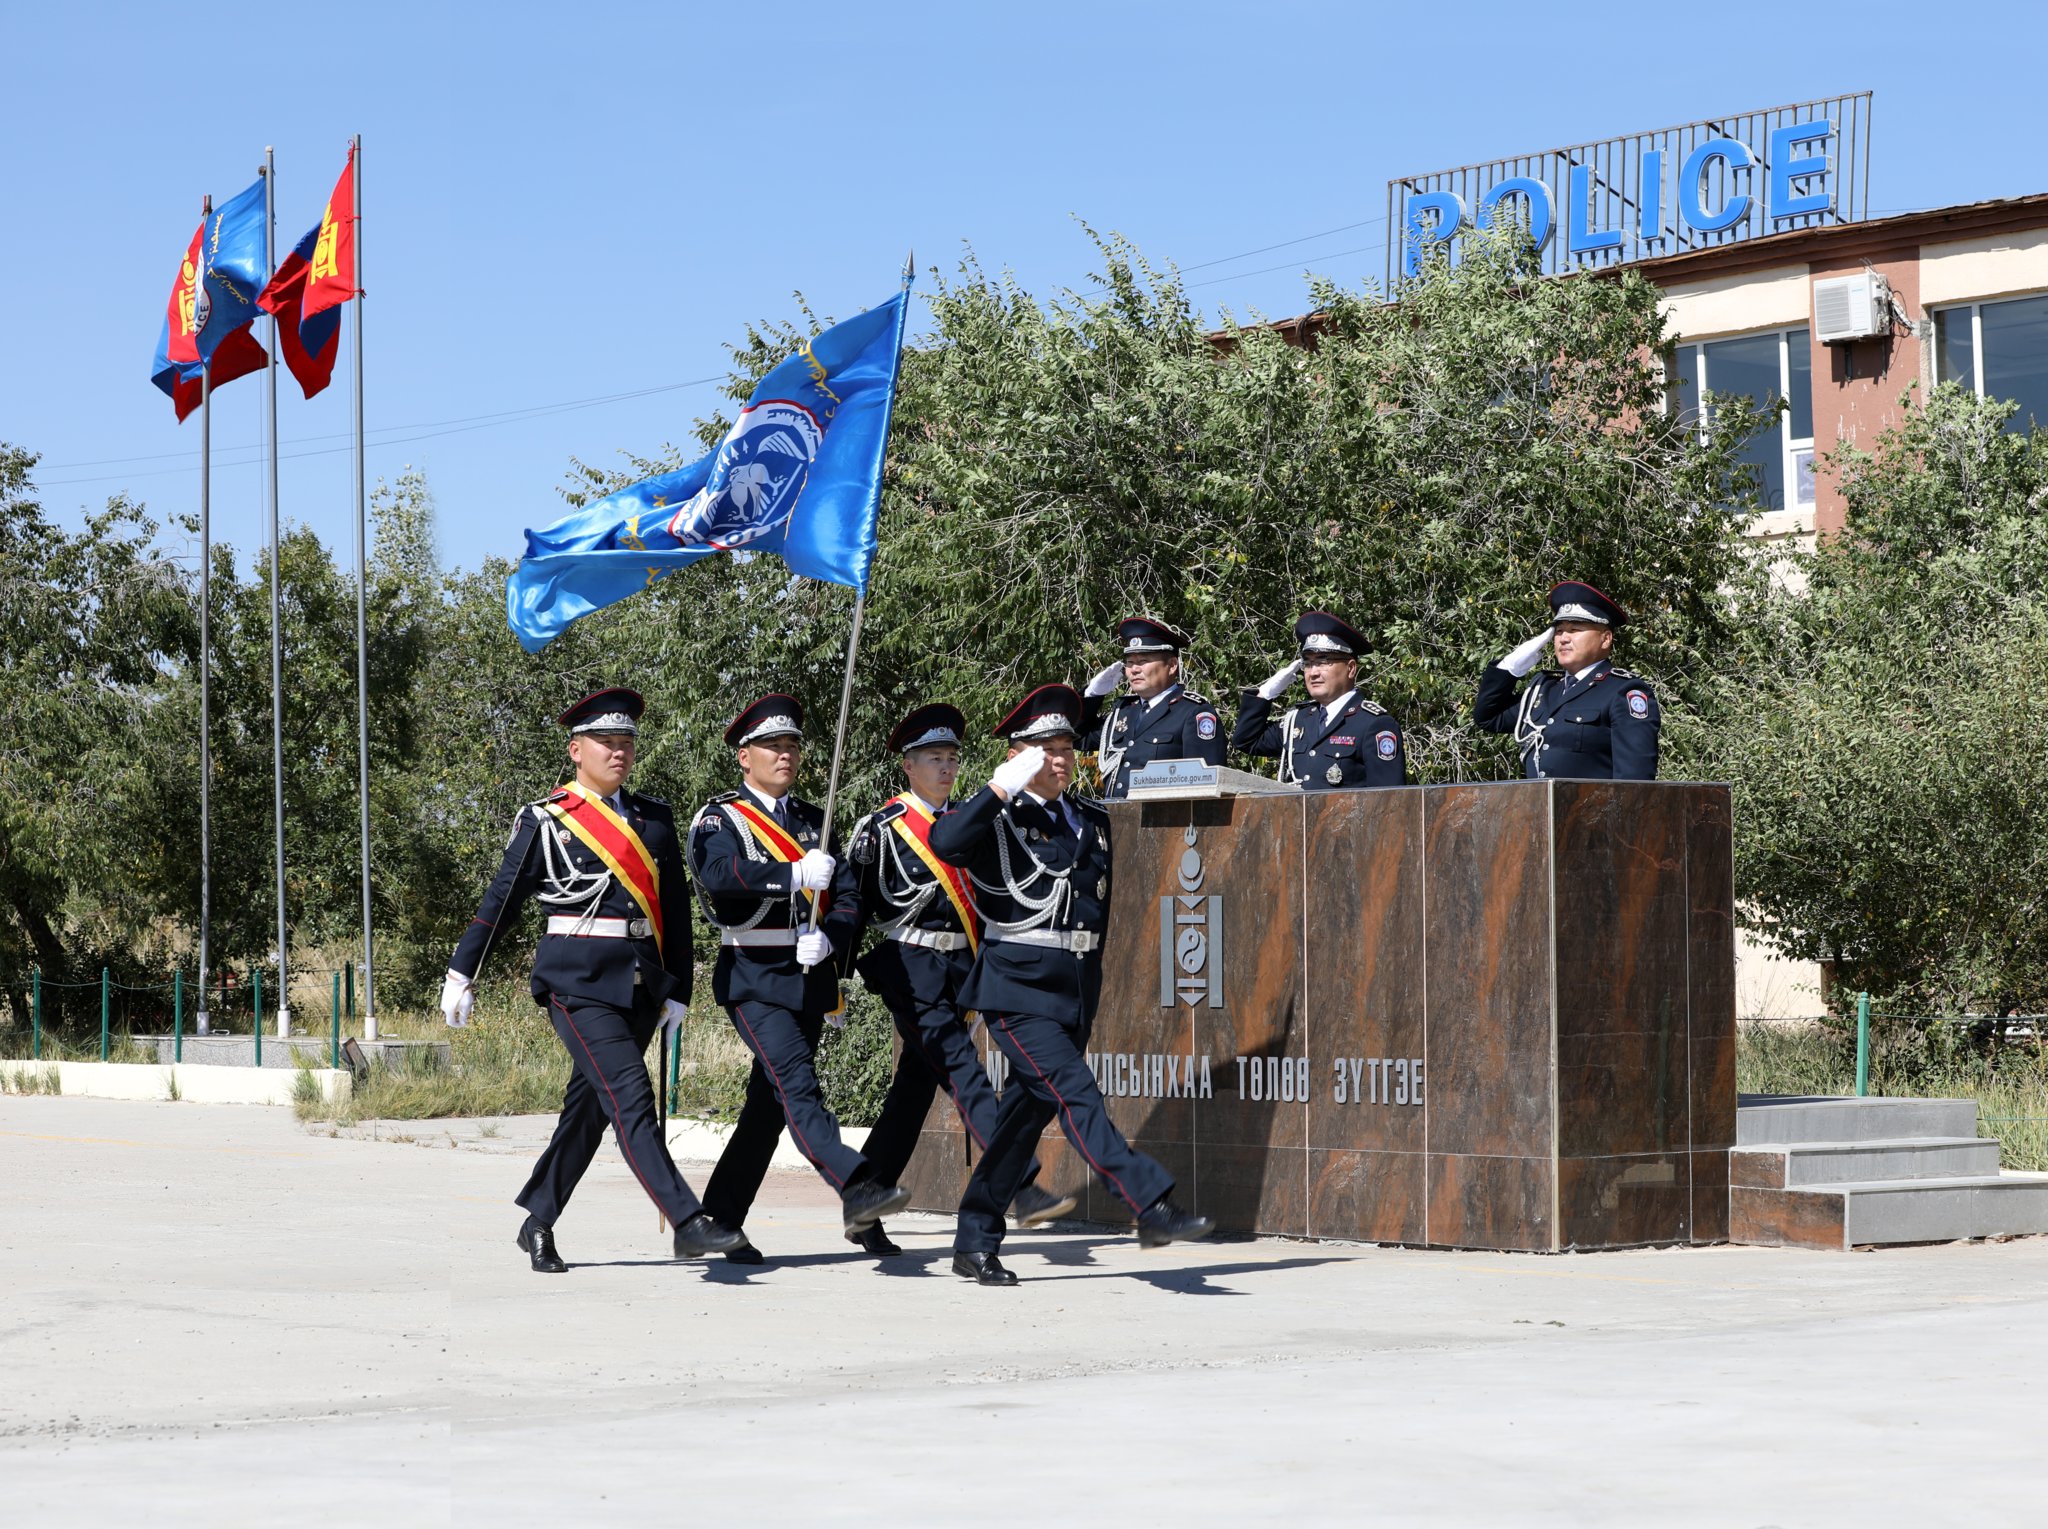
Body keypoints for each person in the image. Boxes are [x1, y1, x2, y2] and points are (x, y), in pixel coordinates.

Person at [442, 687, 743, 1273]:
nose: (620, 751)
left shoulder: (654, 818)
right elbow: (501, 900)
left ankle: (538, 1220)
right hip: (575, 981)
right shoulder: (548, 819)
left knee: (589, 1109)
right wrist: (462, 970)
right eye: (607, 741)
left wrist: (678, 986)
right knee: (631, 1093)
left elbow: (675, 909)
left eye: (627, 741)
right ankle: (689, 1220)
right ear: (577, 750)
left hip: (638, 983)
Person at [931, 683, 1213, 1286]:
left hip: (1074, 987)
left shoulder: (1088, 818)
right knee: (1078, 1094)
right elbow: (945, 843)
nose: (1059, 759)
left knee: (1019, 1124)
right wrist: (1001, 785)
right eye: (1045, 748)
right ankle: (1148, 1202)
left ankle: (973, 1239)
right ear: (1018, 754)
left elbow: (1098, 912)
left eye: (1065, 747)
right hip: (1015, 989)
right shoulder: (994, 817)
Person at [843, 703, 1077, 1257]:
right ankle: (1019, 1182)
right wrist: (831, 979)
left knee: (912, 1091)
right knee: (963, 1071)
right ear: (908, 766)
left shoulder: (971, 824)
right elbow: (852, 906)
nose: (946, 768)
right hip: (910, 963)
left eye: (952, 758)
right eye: (933, 759)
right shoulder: (884, 828)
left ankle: (863, 1196)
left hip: (962, 966)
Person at [688, 693, 911, 1263]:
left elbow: (848, 896)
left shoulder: (819, 818)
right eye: (771, 746)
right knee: (798, 1085)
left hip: (808, 975)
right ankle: (858, 1187)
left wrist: (833, 937)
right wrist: (790, 874)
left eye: (791, 746)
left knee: (768, 1107)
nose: (784, 756)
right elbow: (718, 873)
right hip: (754, 975)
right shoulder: (722, 817)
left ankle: (721, 1218)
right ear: (745, 757)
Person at [1473, 581, 1661, 780]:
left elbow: (1634, 781)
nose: (1563, 638)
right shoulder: (1544, 689)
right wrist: (1511, 666)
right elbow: (1488, 716)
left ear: (1605, 639)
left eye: (1575, 630)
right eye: (1559, 630)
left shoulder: (1623, 692)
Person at [1231, 612, 1406, 789]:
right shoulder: (1299, 720)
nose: (1313, 672)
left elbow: (1390, 801)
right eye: (1307, 663)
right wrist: (1266, 692)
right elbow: (1247, 740)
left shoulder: (1374, 724)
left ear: (1351, 669)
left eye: (1323, 662)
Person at [1077, 617, 1225, 799]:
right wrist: (1092, 695)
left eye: (1143, 661)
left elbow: (1205, 786)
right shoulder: (1123, 711)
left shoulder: (1193, 714)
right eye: (1130, 662)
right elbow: (1077, 736)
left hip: (1166, 823)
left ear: (1171, 666)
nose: (1134, 669)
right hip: (1115, 821)